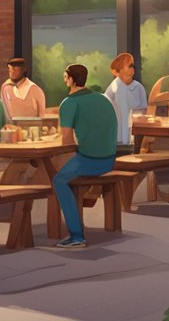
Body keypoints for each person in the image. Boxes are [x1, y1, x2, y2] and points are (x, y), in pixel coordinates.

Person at [52, 64, 118, 248]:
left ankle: (76, 235)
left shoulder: (69, 103)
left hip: (90, 160)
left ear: (71, 79)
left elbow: (66, 142)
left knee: (59, 180)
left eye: (66, 77)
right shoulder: (102, 99)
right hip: (110, 160)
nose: (65, 81)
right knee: (68, 170)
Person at [103, 53, 147, 151]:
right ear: (116, 72)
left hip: (134, 139)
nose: (130, 70)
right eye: (127, 66)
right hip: (115, 141)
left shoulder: (139, 88)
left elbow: (143, 113)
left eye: (132, 66)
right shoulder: (114, 88)